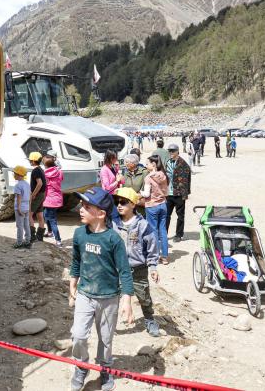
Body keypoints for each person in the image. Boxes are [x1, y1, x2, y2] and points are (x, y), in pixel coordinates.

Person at [69, 187, 134, 391]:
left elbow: (124, 271)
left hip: (108, 298)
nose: (81, 209)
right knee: (78, 335)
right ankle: (82, 366)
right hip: (85, 294)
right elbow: (76, 260)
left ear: (101, 213)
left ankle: (105, 368)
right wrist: (73, 281)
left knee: (105, 339)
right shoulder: (79, 233)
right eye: (82, 204)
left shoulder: (113, 239)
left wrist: (127, 300)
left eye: (87, 206)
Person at [114, 187, 161, 337]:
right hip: (118, 268)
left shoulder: (143, 225)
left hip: (138, 269)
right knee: (114, 295)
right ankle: (110, 319)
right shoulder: (113, 223)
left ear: (133, 204)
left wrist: (153, 266)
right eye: (117, 202)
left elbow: (152, 246)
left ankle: (149, 319)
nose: (119, 205)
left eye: (123, 202)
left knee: (144, 296)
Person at [141, 155, 169, 264]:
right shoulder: (163, 175)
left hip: (152, 205)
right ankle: (165, 256)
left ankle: (155, 255)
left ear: (153, 164)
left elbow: (147, 193)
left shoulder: (148, 177)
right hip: (163, 204)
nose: (146, 165)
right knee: (163, 230)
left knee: (153, 231)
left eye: (147, 163)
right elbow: (166, 191)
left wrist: (140, 193)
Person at [165, 144, 192, 242]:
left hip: (179, 194)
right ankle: (164, 234)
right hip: (168, 193)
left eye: (173, 151)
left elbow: (186, 180)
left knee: (180, 215)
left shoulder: (183, 164)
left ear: (177, 151)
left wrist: (185, 194)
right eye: (170, 151)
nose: (171, 153)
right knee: (166, 215)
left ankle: (179, 234)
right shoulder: (167, 162)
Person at [43, 153, 64, 247]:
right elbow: (61, 179)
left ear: (45, 165)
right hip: (58, 198)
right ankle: (50, 232)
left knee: (52, 220)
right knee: (46, 215)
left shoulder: (44, 174)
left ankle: (58, 240)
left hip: (49, 199)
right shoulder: (59, 172)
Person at [100, 150, 124, 228]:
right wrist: (117, 181)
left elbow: (122, 181)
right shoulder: (104, 170)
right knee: (114, 216)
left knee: (117, 215)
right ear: (111, 158)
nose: (117, 158)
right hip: (109, 197)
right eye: (115, 157)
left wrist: (118, 170)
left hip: (116, 195)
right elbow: (107, 187)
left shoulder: (113, 168)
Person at [122, 154, 149, 219]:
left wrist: (137, 196)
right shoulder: (125, 173)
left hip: (140, 204)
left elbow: (146, 187)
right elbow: (124, 187)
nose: (125, 164)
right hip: (129, 204)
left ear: (133, 163)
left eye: (127, 162)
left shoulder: (144, 172)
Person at [28, 152, 47, 242]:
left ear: (33, 161)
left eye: (30, 160)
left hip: (38, 195)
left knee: (29, 214)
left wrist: (33, 194)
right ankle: (40, 237)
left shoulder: (35, 170)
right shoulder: (41, 169)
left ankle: (32, 236)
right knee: (39, 215)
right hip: (42, 194)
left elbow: (40, 183)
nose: (29, 161)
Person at [13, 165, 32, 249]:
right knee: (26, 225)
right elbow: (30, 195)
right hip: (27, 207)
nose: (14, 175)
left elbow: (19, 198)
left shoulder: (18, 185)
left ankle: (19, 242)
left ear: (18, 174)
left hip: (20, 208)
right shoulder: (27, 184)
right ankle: (28, 241)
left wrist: (19, 209)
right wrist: (29, 207)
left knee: (19, 226)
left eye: (15, 173)